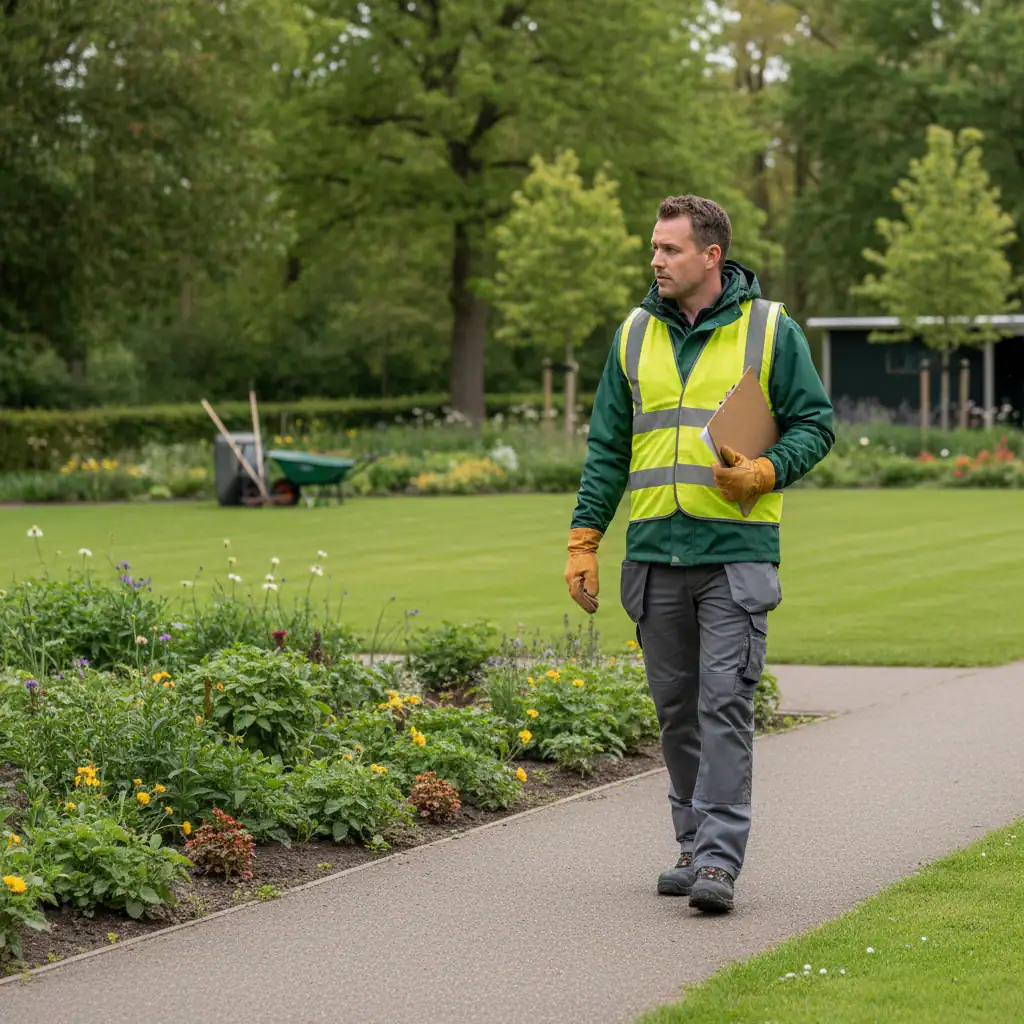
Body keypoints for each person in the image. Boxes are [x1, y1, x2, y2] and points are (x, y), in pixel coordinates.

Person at [564, 195, 834, 913]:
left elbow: (815, 424)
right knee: (676, 712)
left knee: (723, 706)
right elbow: (606, 451)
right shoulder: (632, 335)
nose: (655, 261)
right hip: (653, 557)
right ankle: (689, 844)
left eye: (670, 249)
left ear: (711, 256)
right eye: (654, 248)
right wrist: (584, 539)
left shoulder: (771, 330)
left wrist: (766, 470)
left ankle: (718, 861)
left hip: (733, 557)